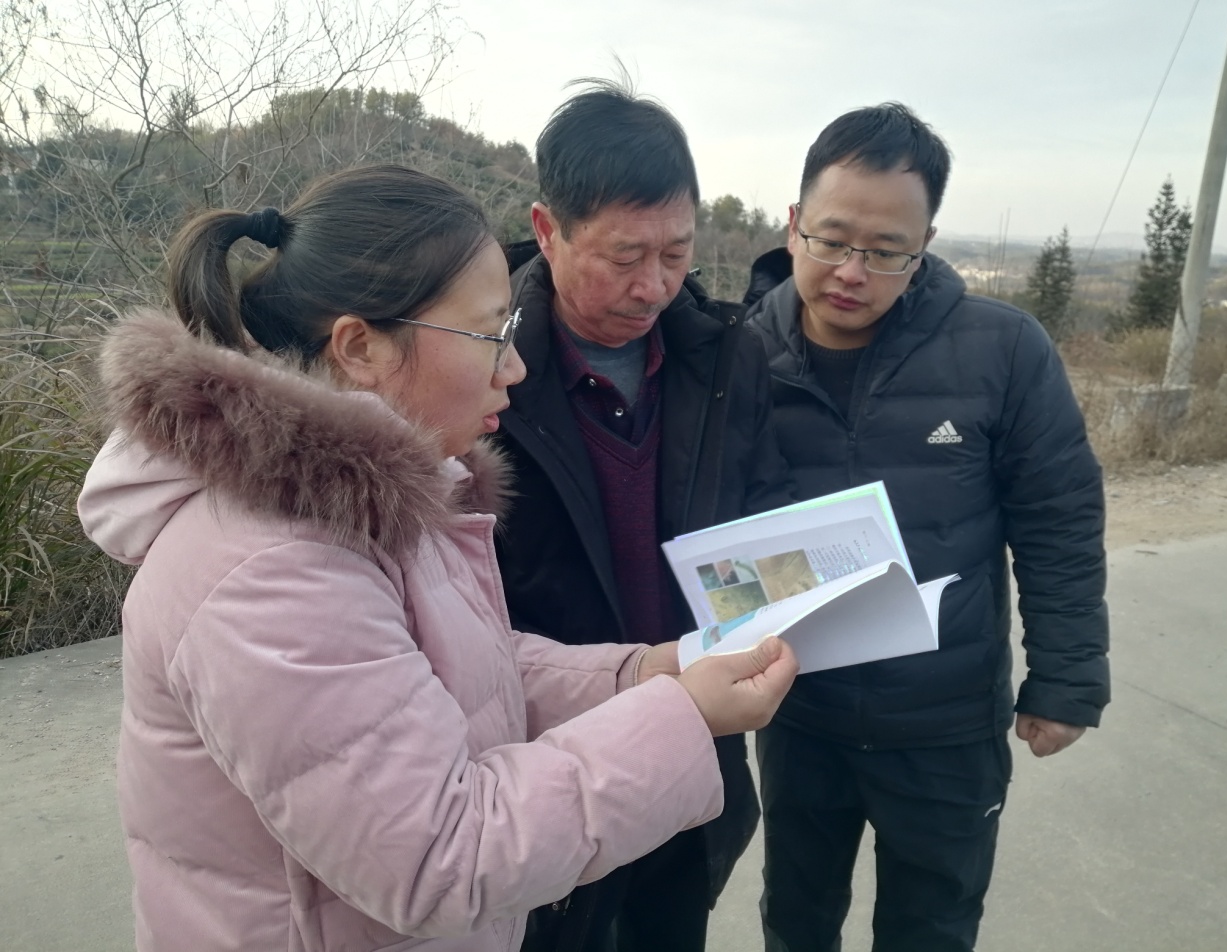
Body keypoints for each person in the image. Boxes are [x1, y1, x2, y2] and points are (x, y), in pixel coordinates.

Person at [76, 164, 799, 952]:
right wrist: (683, 716)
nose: (513, 367)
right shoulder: (269, 569)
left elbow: (460, 670)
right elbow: (437, 860)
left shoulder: (350, 509)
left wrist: (643, 674)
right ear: (360, 347)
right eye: (491, 335)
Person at [744, 104, 1110, 952]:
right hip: (799, 710)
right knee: (795, 918)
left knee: (932, 928)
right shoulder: (736, 355)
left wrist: (1065, 679)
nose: (851, 271)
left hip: (945, 721)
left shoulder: (1001, 350)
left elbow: (1057, 518)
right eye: (831, 240)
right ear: (793, 224)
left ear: (926, 243)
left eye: (886, 251)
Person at [490, 80, 792, 952]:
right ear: (548, 229)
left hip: (691, 744)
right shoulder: (483, 368)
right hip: (546, 762)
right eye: (624, 256)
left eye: (676, 252)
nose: (654, 285)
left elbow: (761, 510)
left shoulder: (726, 357)